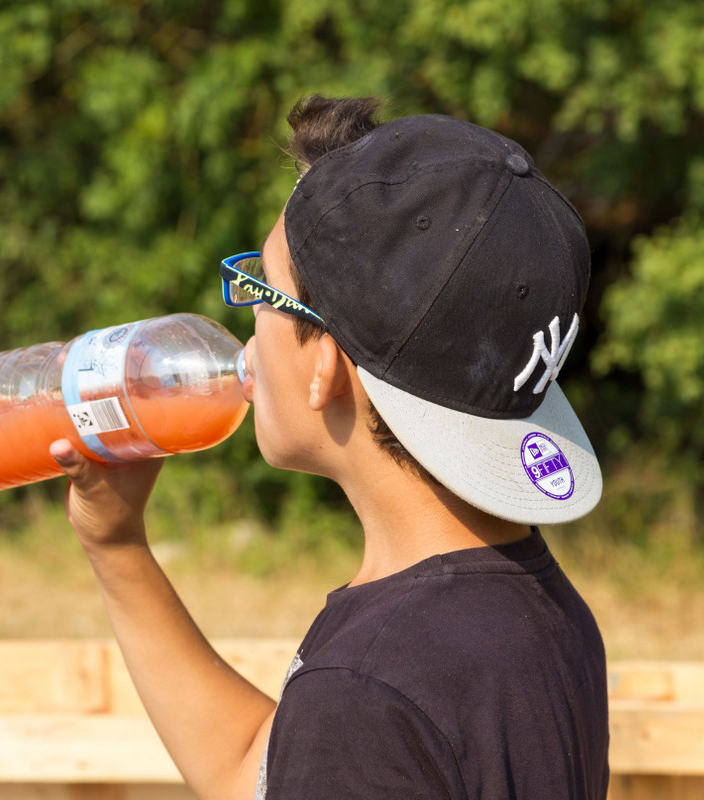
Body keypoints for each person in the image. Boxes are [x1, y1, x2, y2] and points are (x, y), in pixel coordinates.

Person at [49, 94, 609, 799]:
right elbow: (253, 770)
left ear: (324, 367)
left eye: (262, 288)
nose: (247, 332)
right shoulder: (534, 614)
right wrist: (116, 546)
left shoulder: (365, 692)